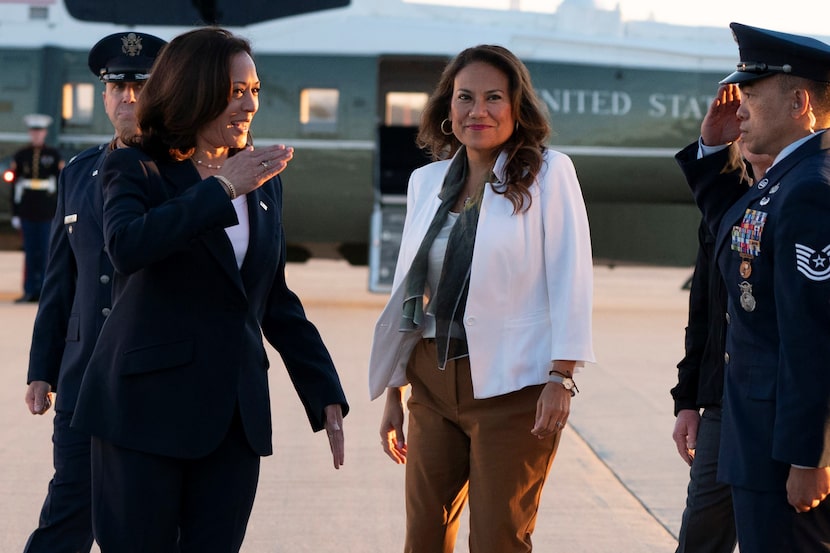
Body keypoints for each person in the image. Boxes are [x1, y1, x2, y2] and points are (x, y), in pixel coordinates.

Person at [70, 27, 349, 552]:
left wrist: (323, 390)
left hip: (232, 419)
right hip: (142, 414)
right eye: (235, 90)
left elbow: (274, 298)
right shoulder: (135, 165)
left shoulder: (264, 179)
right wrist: (222, 189)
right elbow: (127, 246)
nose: (249, 105)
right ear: (195, 88)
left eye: (255, 90)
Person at [368, 44, 595, 552]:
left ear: (518, 107)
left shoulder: (548, 174)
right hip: (431, 381)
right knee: (423, 536)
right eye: (465, 97)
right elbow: (411, 293)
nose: (479, 111)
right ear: (448, 109)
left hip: (513, 390)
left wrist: (562, 377)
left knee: (498, 538)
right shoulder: (425, 182)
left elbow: (571, 279)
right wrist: (394, 391)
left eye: (494, 97)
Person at [675, 22, 830, 553]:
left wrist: (811, 457)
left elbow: (813, 340)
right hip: (756, 440)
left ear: (799, 103)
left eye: (752, 94)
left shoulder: (812, 189)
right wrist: (715, 153)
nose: (737, 107)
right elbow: (736, 234)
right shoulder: (782, 183)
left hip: (786, 452)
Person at [21, 31, 166, 552]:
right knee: (67, 514)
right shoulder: (80, 173)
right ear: (104, 96)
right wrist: (43, 367)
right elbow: (61, 281)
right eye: (117, 86)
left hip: (151, 383)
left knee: (145, 528)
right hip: (82, 382)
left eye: (140, 86)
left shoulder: (180, 173)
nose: (128, 96)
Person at [670, 141, 772, 553]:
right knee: (701, 535)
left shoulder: (809, 193)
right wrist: (689, 401)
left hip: (783, 404)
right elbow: (705, 316)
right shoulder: (727, 207)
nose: (744, 125)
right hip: (722, 404)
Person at [9, 113, 64, 303]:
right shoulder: (21, 155)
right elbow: (15, 186)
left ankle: (44, 292)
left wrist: (60, 210)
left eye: (39, 131)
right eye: (33, 131)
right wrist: (15, 212)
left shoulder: (53, 155)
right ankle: (29, 289)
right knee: (30, 252)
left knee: (46, 251)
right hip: (27, 209)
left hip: (47, 210)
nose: (36, 135)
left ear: (45, 133)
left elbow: (61, 185)